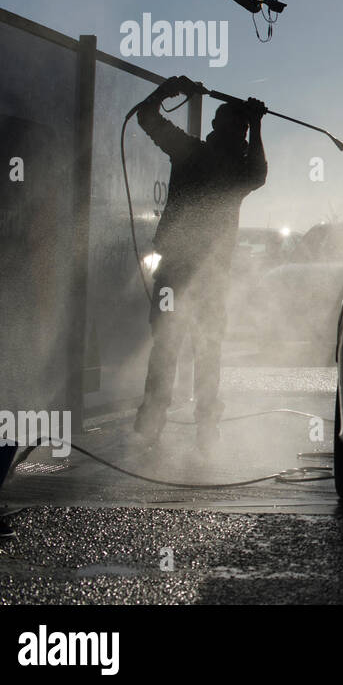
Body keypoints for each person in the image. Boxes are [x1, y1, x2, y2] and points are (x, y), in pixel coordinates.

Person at [132, 76, 268, 454]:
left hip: (181, 272)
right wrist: (257, 125)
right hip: (203, 275)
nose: (240, 135)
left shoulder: (192, 153)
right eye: (238, 128)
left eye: (242, 129)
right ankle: (201, 425)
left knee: (172, 345)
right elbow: (259, 173)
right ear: (224, 130)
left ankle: (156, 422)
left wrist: (168, 89)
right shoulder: (231, 169)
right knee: (202, 349)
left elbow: (146, 116)